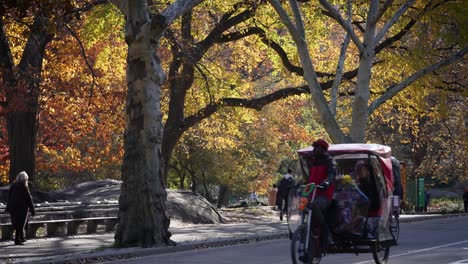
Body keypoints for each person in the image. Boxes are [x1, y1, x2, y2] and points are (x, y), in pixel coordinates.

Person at [306, 139, 336, 253]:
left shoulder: (330, 161)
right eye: (314, 147)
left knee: (314, 206)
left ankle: (327, 235)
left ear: (322, 149)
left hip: (325, 195)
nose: (314, 150)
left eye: (316, 147)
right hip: (311, 194)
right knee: (303, 207)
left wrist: (326, 182)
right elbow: (309, 178)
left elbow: (331, 174)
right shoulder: (312, 162)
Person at [5, 171, 35, 245]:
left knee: (17, 223)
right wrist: (32, 210)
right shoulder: (24, 187)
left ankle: (21, 238)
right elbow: (29, 199)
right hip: (22, 208)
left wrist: (8, 207)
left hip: (13, 207)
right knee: (21, 224)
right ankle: (17, 240)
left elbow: (9, 197)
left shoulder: (13, 185)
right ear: (25, 179)